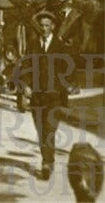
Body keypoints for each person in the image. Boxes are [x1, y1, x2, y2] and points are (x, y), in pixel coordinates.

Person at [24, 9, 77, 181]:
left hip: (54, 97)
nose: (44, 28)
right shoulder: (33, 44)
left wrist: (69, 85)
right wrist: (25, 86)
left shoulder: (60, 46)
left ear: (53, 27)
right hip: (36, 96)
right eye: (42, 25)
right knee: (41, 130)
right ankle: (49, 160)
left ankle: (46, 163)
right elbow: (26, 66)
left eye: (47, 25)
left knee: (49, 130)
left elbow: (68, 68)